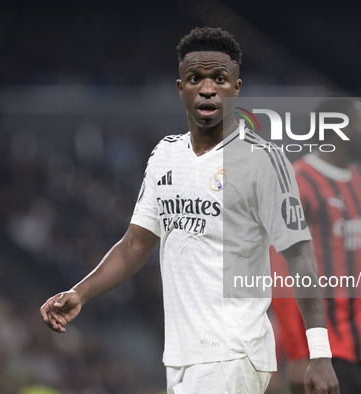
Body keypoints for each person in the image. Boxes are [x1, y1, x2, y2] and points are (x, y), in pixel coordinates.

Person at [40, 27, 339, 394]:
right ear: (180, 88)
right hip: (182, 357)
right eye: (196, 78)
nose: (208, 88)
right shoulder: (165, 155)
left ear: (236, 88)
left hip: (233, 353)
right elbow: (134, 245)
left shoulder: (262, 160)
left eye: (220, 79)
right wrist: (80, 293)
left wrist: (319, 355)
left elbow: (300, 258)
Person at [270, 98, 361, 394]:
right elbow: (281, 269)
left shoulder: (359, 181)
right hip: (329, 355)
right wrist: (300, 352)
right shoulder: (298, 181)